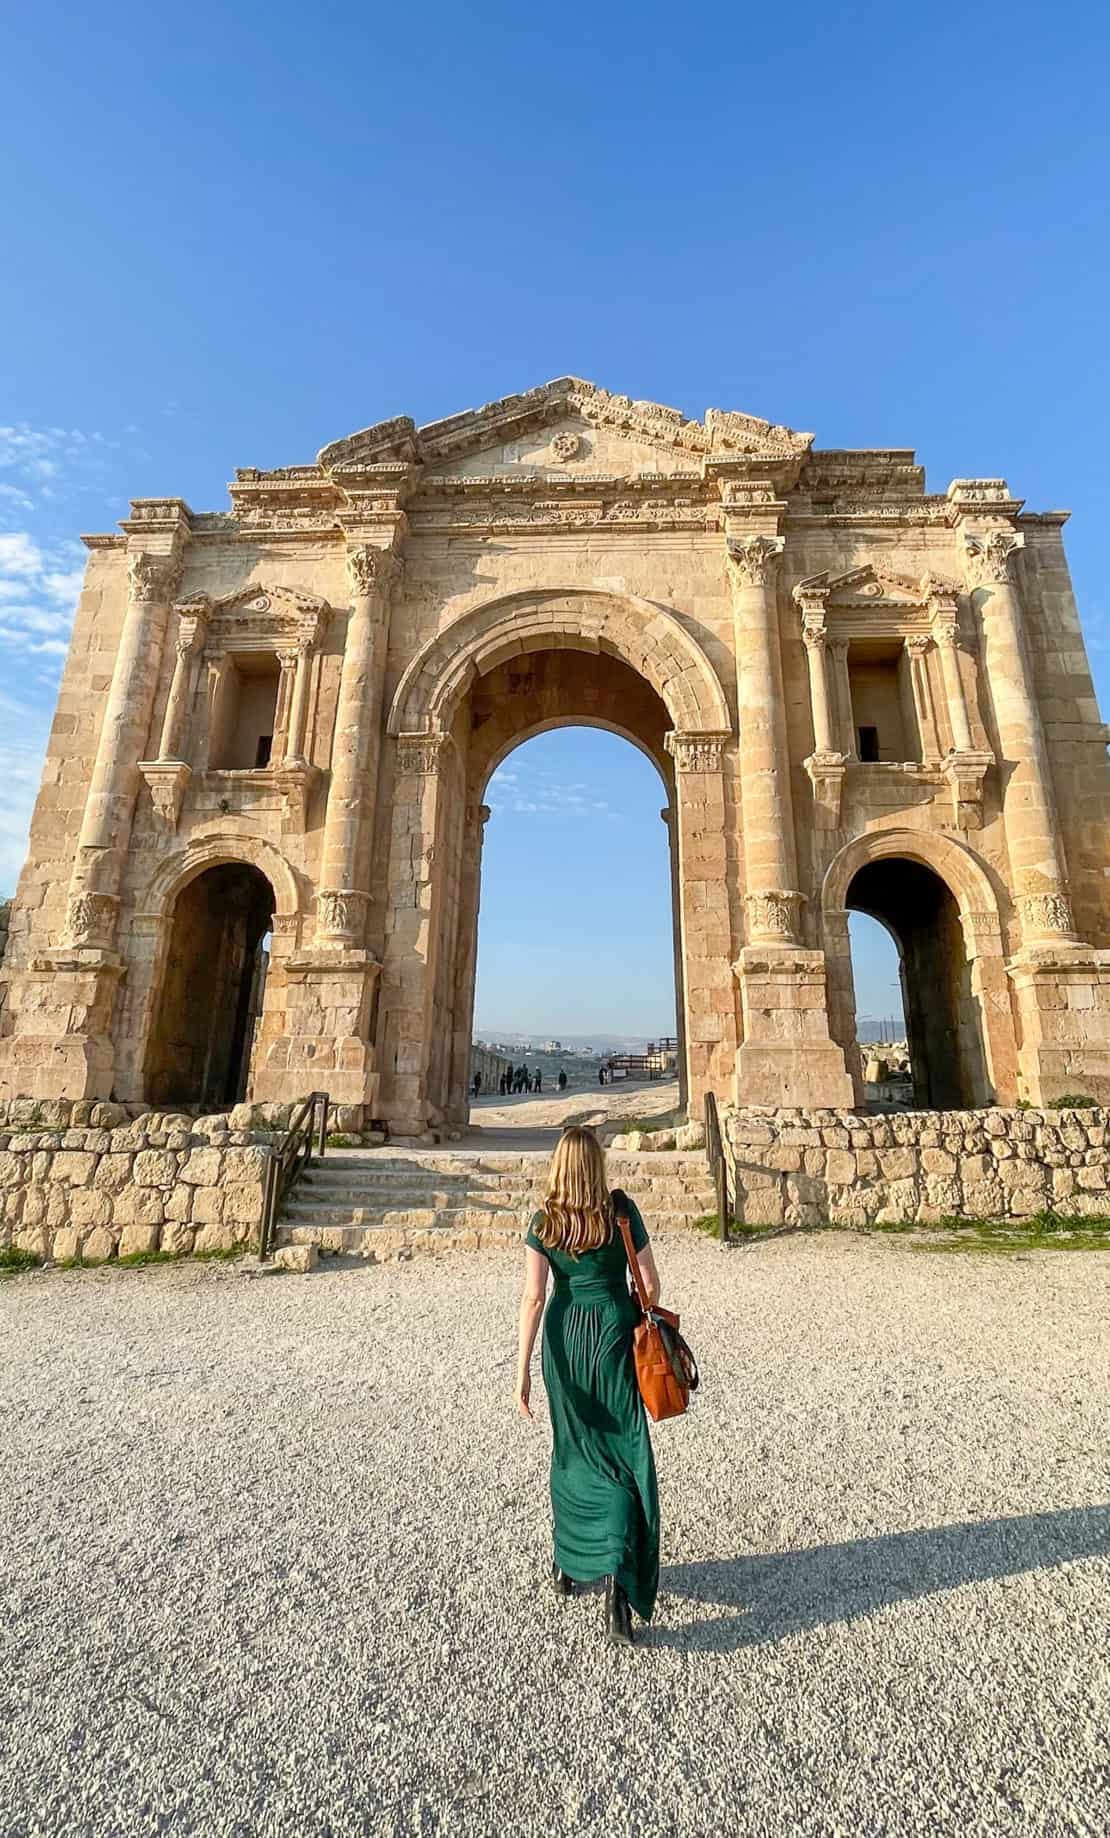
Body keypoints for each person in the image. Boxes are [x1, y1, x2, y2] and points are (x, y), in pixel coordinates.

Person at [515, 1127, 661, 1647]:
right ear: (598, 1165)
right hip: (614, 1340)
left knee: (573, 1454)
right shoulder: (620, 1212)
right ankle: (620, 1584)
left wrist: (521, 1370)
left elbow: (533, 1299)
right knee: (623, 1456)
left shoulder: (545, 1221)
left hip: (565, 1344)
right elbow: (651, 1285)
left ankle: (569, 1560)